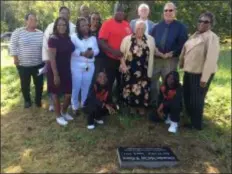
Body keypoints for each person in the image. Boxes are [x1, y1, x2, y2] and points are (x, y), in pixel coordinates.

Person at [179, 12, 220, 130]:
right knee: (188, 96)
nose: (202, 23)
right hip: (189, 71)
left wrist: (204, 78)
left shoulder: (212, 37)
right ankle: (191, 119)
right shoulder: (195, 35)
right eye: (200, 21)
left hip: (200, 74)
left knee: (197, 100)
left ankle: (196, 125)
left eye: (206, 21)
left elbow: (211, 59)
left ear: (211, 24)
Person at [150, 2, 188, 106]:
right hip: (156, 59)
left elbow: (183, 44)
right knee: (153, 83)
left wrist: (171, 53)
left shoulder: (181, 27)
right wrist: (156, 51)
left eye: (170, 10)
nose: (168, 12)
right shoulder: (156, 26)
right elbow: (150, 41)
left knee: (169, 84)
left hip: (171, 60)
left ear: (175, 12)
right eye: (166, 10)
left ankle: (167, 106)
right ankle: (154, 104)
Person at [42, 6, 76, 111]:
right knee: (54, 88)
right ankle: (54, 106)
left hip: (67, 64)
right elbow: (46, 45)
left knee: (67, 89)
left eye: (66, 13)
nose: (64, 15)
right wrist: (47, 60)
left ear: (69, 15)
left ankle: (65, 107)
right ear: (59, 14)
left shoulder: (72, 28)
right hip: (54, 63)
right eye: (62, 13)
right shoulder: (50, 27)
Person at [119, 20, 156, 115]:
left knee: (144, 88)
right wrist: (123, 65)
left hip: (144, 70)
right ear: (134, 29)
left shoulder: (150, 39)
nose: (140, 30)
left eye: (142, 28)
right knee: (130, 88)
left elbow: (154, 51)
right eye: (138, 28)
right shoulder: (127, 39)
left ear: (145, 29)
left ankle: (141, 108)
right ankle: (131, 108)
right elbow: (121, 54)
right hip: (130, 70)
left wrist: (164, 54)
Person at [98, 2, 132, 102]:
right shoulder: (107, 24)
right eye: (118, 10)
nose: (120, 13)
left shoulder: (127, 24)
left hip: (124, 60)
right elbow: (101, 42)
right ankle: (107, 103)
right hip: (110, 59)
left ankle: (121, 102)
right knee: (109, 81)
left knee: (123, 82)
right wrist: (113, 52)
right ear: (114, 12)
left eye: (122, 11)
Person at [10, 13, 44, 108]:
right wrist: (15, 58)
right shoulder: (18, 32)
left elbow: (44, 48)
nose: (34, 21)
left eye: (35, 20)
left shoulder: (40, 33)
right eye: (31, 19)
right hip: (23, 65)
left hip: (38, 64)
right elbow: (12, 45)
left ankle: (38, 101)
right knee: (25, 84)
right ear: (26, 21)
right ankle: (27, 101)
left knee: (39, 84)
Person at [47, 17, 75, 126]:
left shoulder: (67, 38)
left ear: (66, 26)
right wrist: (55, 75)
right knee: (56, 94)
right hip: (55, 70)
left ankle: (64, 112)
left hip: (66, 69)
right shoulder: (53, 39)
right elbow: (52, 58)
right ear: (56, 26)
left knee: (68, 94)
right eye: (59, 25)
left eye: (64, 25)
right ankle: (58, 116)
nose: (61, 27)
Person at [70, 17, 99, 115]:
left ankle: (84, 104)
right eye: (82, 25)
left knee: (86, 86)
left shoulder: (93, 38)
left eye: (86, 24)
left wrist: (92, 53)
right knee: (76, 86)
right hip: (76, 65)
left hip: (89, 66)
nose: (85, 27)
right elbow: (71, 50)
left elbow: (97, 50)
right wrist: (82, 53)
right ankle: (74, 106)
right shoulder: (73, 37)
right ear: (78, 27)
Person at [89, 12, 106, 79]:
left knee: (96, 80)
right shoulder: (86, 30)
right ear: (90, 19)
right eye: (93, 19)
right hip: (87, 59)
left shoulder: (102, 30)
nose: (95, 21)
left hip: (99, 60)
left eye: (97, 19)